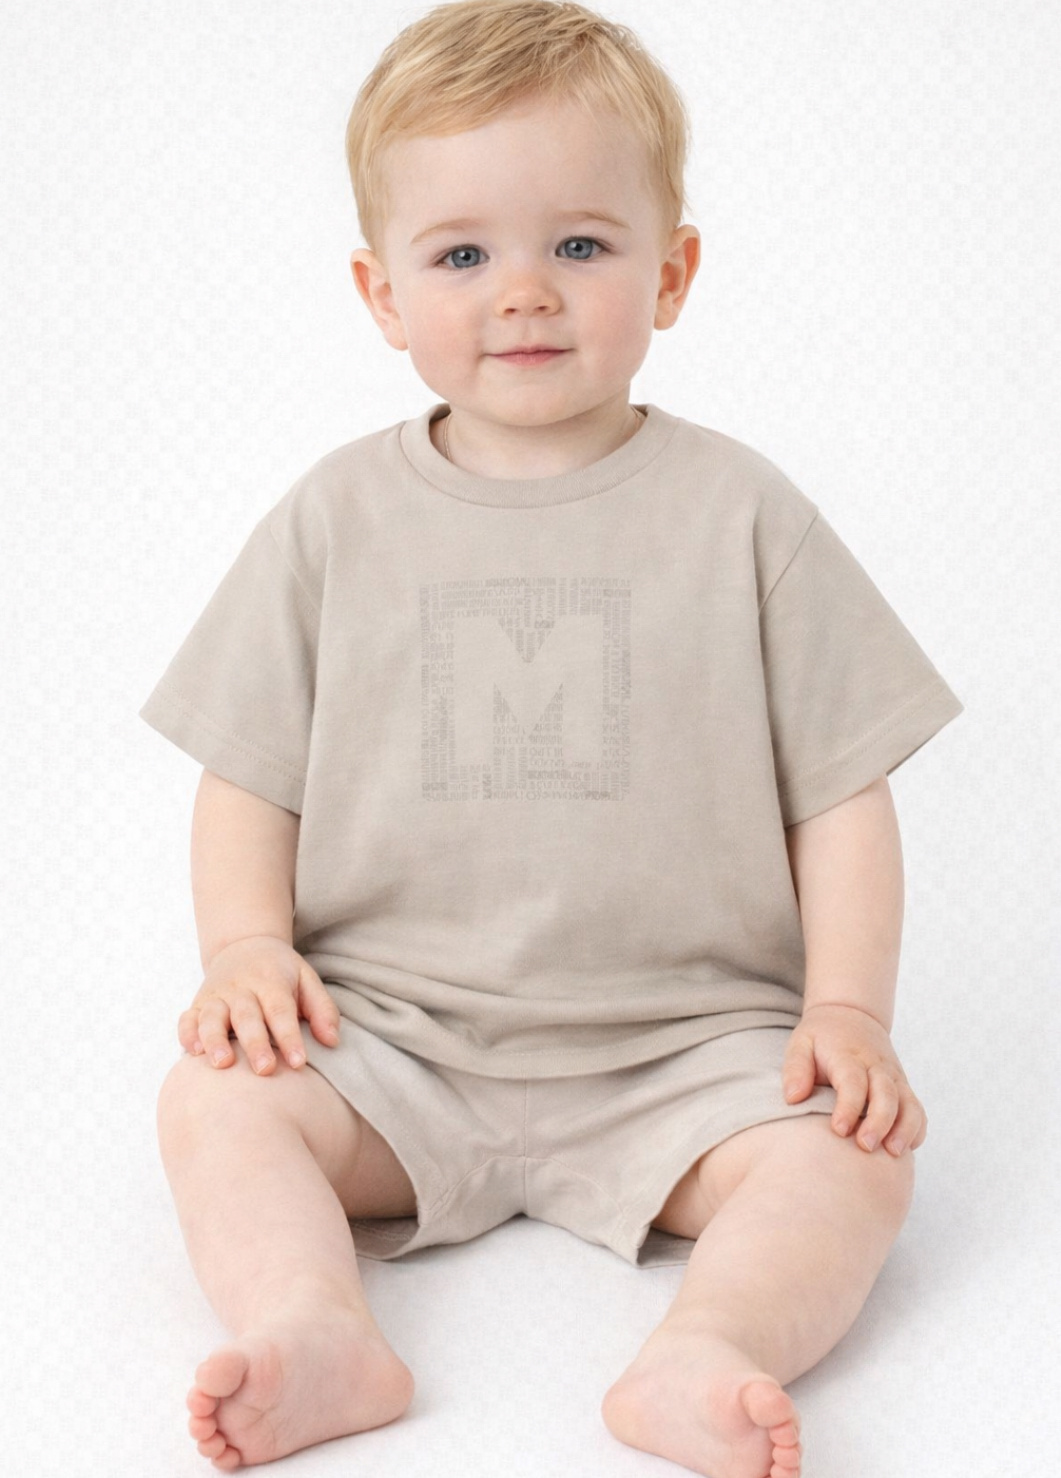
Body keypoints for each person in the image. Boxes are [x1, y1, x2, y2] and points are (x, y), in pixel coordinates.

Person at [141, 1, 964, 1472]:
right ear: (381, 293)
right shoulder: (333, 519)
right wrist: (245, 950)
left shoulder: (743, 515)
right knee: (215, 1104)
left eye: (579, 244)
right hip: (390, 1039)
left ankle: (708, 1346)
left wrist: (845, 1011)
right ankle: (313, 1322)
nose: (522, 292)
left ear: (673, 271)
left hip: (684, 1052)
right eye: (461, 256)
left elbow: (841, 792)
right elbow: (245, 769)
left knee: (852, 1158)